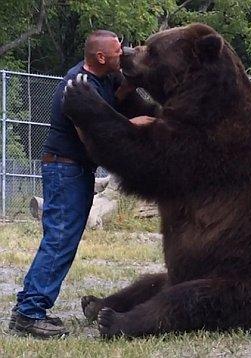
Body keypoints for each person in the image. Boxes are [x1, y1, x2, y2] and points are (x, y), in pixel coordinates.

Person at [9, 30, 154, 338]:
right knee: (60, 241)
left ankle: (27, 308)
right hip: (65, 169)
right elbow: (93, 137)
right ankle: (29, 314)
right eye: (118, 51)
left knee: (62, 241)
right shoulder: (76, 87)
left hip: (76, 170)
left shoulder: (103, 80)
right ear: (101, 57)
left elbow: (108, 104)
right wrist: (132, 125)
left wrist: (128, 89)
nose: (124, 53)